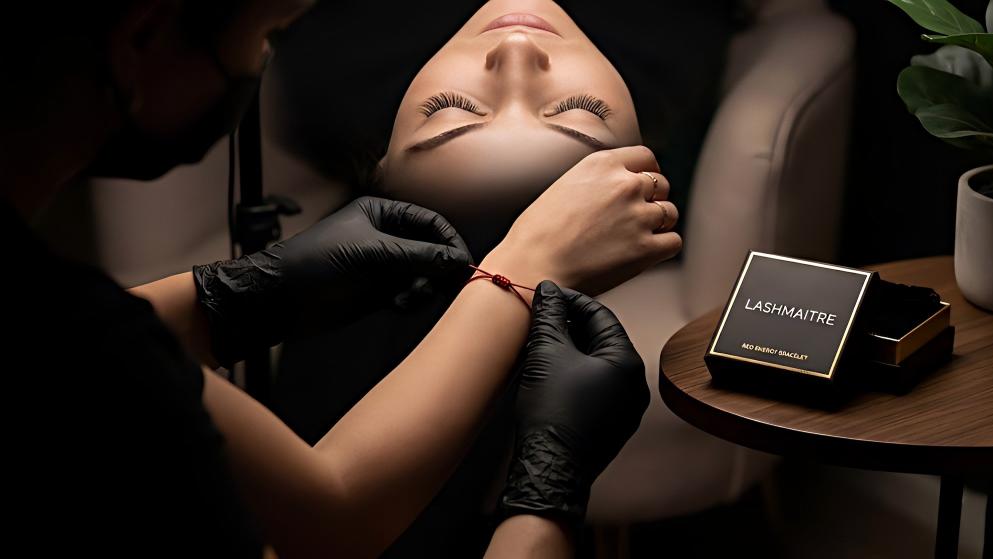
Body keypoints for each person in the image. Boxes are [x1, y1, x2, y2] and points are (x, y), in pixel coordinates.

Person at [2, 0, 680, 557]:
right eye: (266, 37)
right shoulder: (85, 333)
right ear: (140, 37)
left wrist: (227, 296)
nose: (517, 52)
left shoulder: (71, 326)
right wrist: (544, 501)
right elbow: (325, 519)